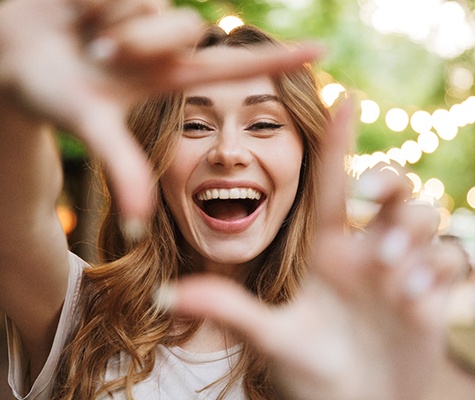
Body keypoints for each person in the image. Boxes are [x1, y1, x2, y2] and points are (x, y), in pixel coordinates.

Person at [0, 0, 466, 399]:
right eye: (195, 125)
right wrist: (13, 93)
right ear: (154, 158)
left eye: (264, 124)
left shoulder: (366, 335)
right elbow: (16, 218)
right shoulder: (80, 311)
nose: (228, 152)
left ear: (308, 160)